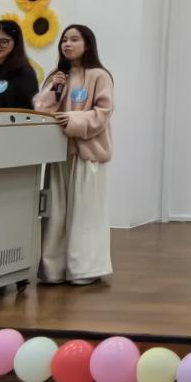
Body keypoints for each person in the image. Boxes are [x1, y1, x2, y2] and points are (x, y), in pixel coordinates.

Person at [34, 25, 114, 286]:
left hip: (87, 156)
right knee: (55, 216)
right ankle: (53, 270)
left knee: (85, 215)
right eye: (64, 40)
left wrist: (72, 120)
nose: (67, 44)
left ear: (87, 44)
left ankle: (84, 270)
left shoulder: (99, 76)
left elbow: (102, 113)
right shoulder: (57, 77)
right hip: (58, 155)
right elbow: (41, 110)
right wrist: (54, 89)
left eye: (74, 39)